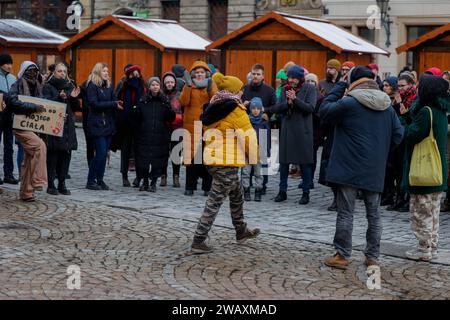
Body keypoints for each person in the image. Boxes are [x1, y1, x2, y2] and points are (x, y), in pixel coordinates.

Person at [320, 66, 404, 269]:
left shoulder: (349, 102)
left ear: (353, 82)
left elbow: (324, 111)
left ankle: (342, 255)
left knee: (346, 212)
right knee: (373, 213)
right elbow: (399, 134)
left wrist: (340, 84)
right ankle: (372, 257)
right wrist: (380, 152)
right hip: (374, 168)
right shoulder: (387, 106)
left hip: (348, 167)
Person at [191, 72, 260, 254]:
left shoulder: (213, 106)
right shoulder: (236, 110)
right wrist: (255, 157)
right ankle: (198, 240)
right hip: (227, 162)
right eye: (241, 89)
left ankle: (241, 230)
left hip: (213, 160)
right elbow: (248, 137)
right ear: (235, 91)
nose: (243, 92)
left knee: (237, 194)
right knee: (214, 201)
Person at [402, 75, 450, 261]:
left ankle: (423, 249)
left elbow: (412, 134)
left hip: (424, 170)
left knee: (420, 212)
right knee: (433, 212)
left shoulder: (426, 111)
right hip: (437, 170)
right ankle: (433, 247)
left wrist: (403, 121)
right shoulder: (441, 111)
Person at [269, 65, 316, 205]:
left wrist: (295, 100)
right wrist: (287, 103)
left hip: (303, 131)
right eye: (289, 77)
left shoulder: (310, 88)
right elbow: (278, 108)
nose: (291, 80)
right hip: (288, 129)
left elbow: (310, 108)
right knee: (284, 163)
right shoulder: (285, 89)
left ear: (300, 78)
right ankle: (282, 191)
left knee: (304, 164)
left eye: (294, 78)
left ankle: (305, 192)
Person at [6, 61, 48, 202]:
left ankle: (26, 192)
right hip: (20, 125)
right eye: (29, 70)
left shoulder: (39, 86)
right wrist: (33, 107)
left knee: (29, 159)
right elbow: (12, 101)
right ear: (24, 72)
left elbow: (46, 105)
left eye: (35, 70)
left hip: (35, 126)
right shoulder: (17, 85)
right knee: (39, 146)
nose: (33, 73)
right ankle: (38, 180)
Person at [179, 61, 218, 196]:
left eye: (202, 72)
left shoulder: (211, 84)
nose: (199, 74)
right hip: (191, 126)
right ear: (193, 74)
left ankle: (207, 188)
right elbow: (183, 102)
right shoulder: (188, 85)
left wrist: (210, 88)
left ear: (206, 73)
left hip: (207, 125)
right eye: (197, 72)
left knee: (207, 157)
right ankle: (190, 186)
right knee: (191, 158)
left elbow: (216, 100)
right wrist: (189, 86)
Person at [42, 63, 80, 196]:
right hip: (53, 125)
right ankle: (51, 184)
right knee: (53, 156)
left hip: (68, 125)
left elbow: (75, 108)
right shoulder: (48, 86)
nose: (62, 73)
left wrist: (74, 98)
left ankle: (62, 183)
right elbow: (45, 104)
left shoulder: (70, 86)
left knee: (66, 155)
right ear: (54, 73)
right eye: (59, 71)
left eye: (64, 71)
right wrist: (59, 97)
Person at [132, 77, 175, 192]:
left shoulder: (164, 100)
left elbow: (171, 118)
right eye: (153, 85)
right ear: (149, 87)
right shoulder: (143, 100)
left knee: (158, 161)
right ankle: (145, 182)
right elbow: (137, 117)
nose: (155, 87)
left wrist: (168, 108)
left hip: (159, 136)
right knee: (143, 161)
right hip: (144, 135)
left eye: (157, 85)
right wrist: (135, 110)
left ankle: (153, 183)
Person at [85, 62, 123, 191]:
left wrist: (117, 104)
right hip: (97, 125)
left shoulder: (108, 87)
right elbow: (94, 104)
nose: (107, 73)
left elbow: (113, 102)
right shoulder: (92, 86)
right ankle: (91, 180)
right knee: (100, 153)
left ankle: (100, 180)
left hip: (108, 125)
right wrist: (112, 104)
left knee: (104, 154)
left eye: (107, 71)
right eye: (104, 71)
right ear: (98, 72)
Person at [242, 63, 277, 195]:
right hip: (247, 127)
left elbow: (276, 106)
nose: (255, 76)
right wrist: (242, 104)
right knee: (247, 156)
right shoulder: (244, 89)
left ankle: (262, 185)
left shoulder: (269, 90)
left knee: (262, 157)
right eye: (253, 74)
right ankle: (247, 184)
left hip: (262, 127)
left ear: (263, 76)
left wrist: (266, 111)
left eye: (258, 74)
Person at [387, 74, 417, 212]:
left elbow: (409, 117)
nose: (400, 88)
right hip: (398, 136)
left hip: (407, 137)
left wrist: (399, 103)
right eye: (398, 86)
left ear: (411, 85)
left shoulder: (414, 98)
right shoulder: (399, 97)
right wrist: (396, 103)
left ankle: (406, 199)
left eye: (403, 85)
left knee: (405, 169)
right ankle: (399, 198)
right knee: (397, 168)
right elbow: (394, 116)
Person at [114, 64, 145, 187]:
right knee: (125, 151)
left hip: (139, 123)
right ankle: (124, 176)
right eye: (133, 74)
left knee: (139, 151)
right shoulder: (124, 86)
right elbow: (117, 100)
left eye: (137, 73)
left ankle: (139, 177)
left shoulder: (143, 86)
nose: (135, 76)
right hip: (125, 124)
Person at [241, 97, 270, 202]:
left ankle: (258, 191)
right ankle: (246, 191)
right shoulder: (246, 121)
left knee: (259, 173)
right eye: (253, 108)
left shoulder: (263, 123)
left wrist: (265, 152)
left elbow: (266, 139)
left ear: (261, 109)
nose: (255, 110)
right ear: (250, 109)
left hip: (258, 152)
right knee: (246, 172)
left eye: (258, 108)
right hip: (247, 152)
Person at [161, 72, 183, 188]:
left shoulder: (180, 95)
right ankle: (163, 175)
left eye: (171, 82)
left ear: (175, 83)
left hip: (177, 128)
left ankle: (176, 176)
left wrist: (177, 118)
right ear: (164, 83)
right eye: (167, 82)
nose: (169, 84)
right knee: (163, 153)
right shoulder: (160, 95)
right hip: (163, 128)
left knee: (176, 154)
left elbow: (183, 111)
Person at [381, 75, 400, 207]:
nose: (385, 87)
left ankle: (392, 194)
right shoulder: (383, 99)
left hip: (393, 138)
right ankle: (386, 194)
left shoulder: (397, 100)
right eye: (384, 85)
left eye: (387, 85)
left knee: (392, 168)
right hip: (384, 137)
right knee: (386, 169)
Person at [0, 53, 19, 185]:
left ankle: (9, 174)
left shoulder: (13, 78)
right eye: (7, 63)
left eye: (11, 63)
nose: (9, 66)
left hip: (9, 116)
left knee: (9, 146)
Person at [305, 73, 324, 182]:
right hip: (304, 130)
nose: (310, 83)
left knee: (312, 156)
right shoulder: (302, 95)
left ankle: (310, 178)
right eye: (308, 81)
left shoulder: (320, 97)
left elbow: (320, 115)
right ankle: (305, 178)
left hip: (315, 131)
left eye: (313, 81)